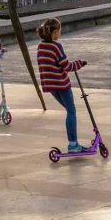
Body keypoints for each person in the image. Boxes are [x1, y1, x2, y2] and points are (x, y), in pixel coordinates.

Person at [37, 18, 87, 152]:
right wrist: (79, 63)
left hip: (51, 85)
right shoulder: (56, 46)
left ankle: (73, 142)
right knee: (71, 111)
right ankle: (73, 144)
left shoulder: (41, 46)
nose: (60, 33)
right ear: (54, 32)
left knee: (69, 110)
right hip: (61, 84)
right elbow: (66, 66)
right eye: (59, 30)